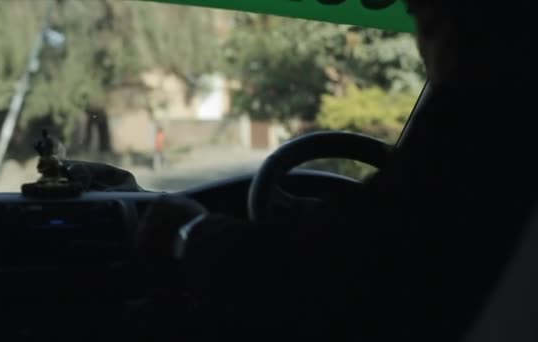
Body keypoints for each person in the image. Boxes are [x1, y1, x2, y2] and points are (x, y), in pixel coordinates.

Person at [134, 1, 536, 340]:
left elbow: (325, 275)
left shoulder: (486, 119)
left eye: (429, 20)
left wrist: (189, 233)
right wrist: (312, 218)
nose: (425, 43)